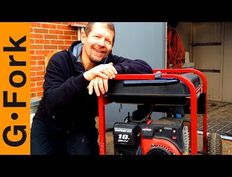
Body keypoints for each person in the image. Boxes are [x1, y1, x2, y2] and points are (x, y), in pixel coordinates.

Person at [30, 22, 153, 155]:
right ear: (84, 37)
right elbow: (52, 102)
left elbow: (144, 67)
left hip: (81, 127)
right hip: (49, 125)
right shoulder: (60, 60)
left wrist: (108, 71)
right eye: (97, 36)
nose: (101, 43)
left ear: (111, 47)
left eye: (108, 40)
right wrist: (87, 77)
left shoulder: (109, 63)